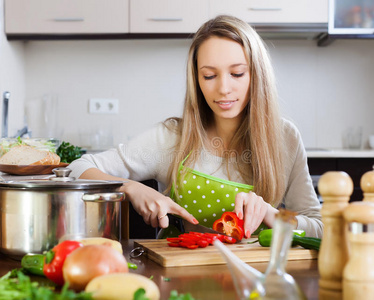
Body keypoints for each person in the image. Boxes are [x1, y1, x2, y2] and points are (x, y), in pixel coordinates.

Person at [69, 15, 323, 238]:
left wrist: (273, 215)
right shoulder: (171, 138)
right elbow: (79, 167)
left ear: (257, 74)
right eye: (209, 75)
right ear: (197, 80)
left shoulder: (284, 137)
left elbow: (319, 227)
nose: (223, 88)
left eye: (237, 74)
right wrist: (130, 187)